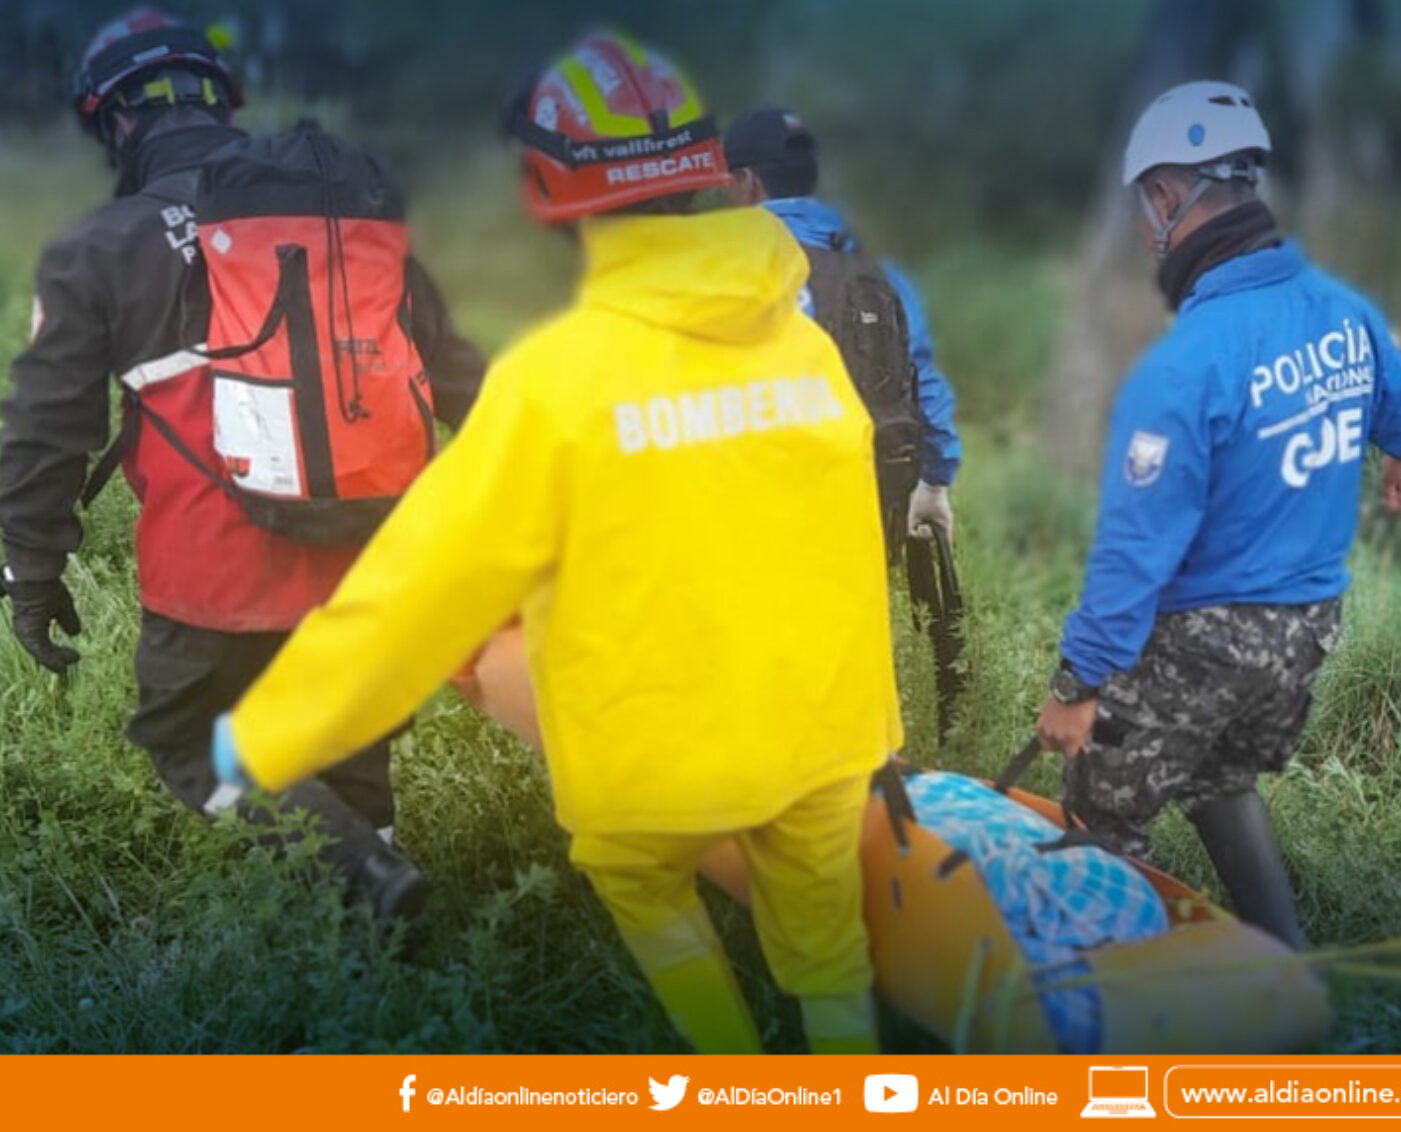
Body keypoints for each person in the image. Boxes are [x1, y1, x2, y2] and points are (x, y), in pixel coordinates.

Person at [209, 30, 901, 1055]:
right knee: (824, 939)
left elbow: (419, 586)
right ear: (703, 170)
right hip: (825, 736)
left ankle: (731, 1070)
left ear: (546, 187)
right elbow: (834, 529)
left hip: (658, 757)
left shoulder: (559, 379)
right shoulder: (802, 343)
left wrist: (269, 731)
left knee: (634, 869)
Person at [0, 7, 484, 919]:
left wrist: (33, 573)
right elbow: (457, 376)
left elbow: (45, 433)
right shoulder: (342, 214)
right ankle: (375, 908)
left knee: (187, 739)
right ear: (223, 103)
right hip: (368, 547)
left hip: (207, 571)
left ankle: (362, 884)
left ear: (117, 121)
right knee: (344, 733)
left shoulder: (97, 247)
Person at [1033, 81, 1401, 950]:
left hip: (1210, 641)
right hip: (1307, 635)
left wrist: (1077, 687)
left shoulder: (1182, 367)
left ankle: (1102, 1028)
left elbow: (1133, 555)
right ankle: (1288, 963)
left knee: (1101, 805)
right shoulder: (1346, 314)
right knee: (1219, 775)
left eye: (1147, 204)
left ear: (1164, 195)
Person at [723, 106, 963, 544]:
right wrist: (934, 483)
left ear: (748, 181)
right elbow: (922, 381)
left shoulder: (724, 269)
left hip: (754, 513)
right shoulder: (878, 272)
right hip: (863, 507)